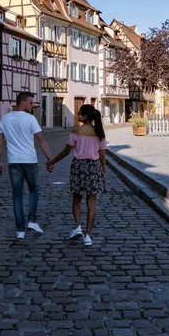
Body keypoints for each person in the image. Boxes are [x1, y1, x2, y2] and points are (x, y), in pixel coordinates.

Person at [46, 104, 106, 246]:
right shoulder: (100, 133)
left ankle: (77, 227)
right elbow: (102, 154)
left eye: (79, 113)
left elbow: (66, 151)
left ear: (85, 117)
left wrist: (51, 161)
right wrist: (103, 171)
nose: (77, 115)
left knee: (76, 199)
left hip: (79, 167)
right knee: (91, 202)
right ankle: (88, 236)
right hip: (94, 167)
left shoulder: (75, 131)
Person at [0, 92, 54, 239]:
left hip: (13, 161)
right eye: (30, 102)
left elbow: (0, 142)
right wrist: (50, 159)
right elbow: (41, 140)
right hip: (29, 161)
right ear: (22, 102)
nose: (32, 105)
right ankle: (32, 221)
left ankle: (20, 230)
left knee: (17, 195)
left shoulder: (4, 119)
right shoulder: (30, 119)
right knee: (34, 188)